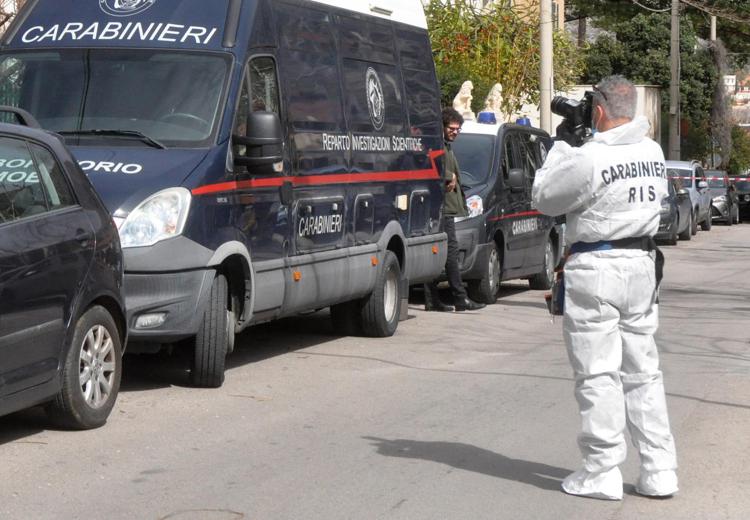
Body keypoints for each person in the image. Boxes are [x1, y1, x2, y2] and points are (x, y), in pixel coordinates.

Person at [532, 75, 678, 500]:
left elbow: (546, 196)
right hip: (641, 265)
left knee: (598, 373)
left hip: (597, 266)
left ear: (598, 111)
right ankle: (658, 469)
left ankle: (602, 470)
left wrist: (563, 143)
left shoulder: (590, 156)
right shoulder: (652, 152)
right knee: (643, 373)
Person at [424, 108, 486, 312]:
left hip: (446, 207)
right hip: (440, 207)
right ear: (441, 126)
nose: (455, 132)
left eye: (458, 129)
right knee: (449, 251)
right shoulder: (436, 145)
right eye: (452, 128)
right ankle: (460, 297)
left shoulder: (447, 146)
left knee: (440, 252)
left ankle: (433, 299)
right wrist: (448, 175)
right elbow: (428, 163)